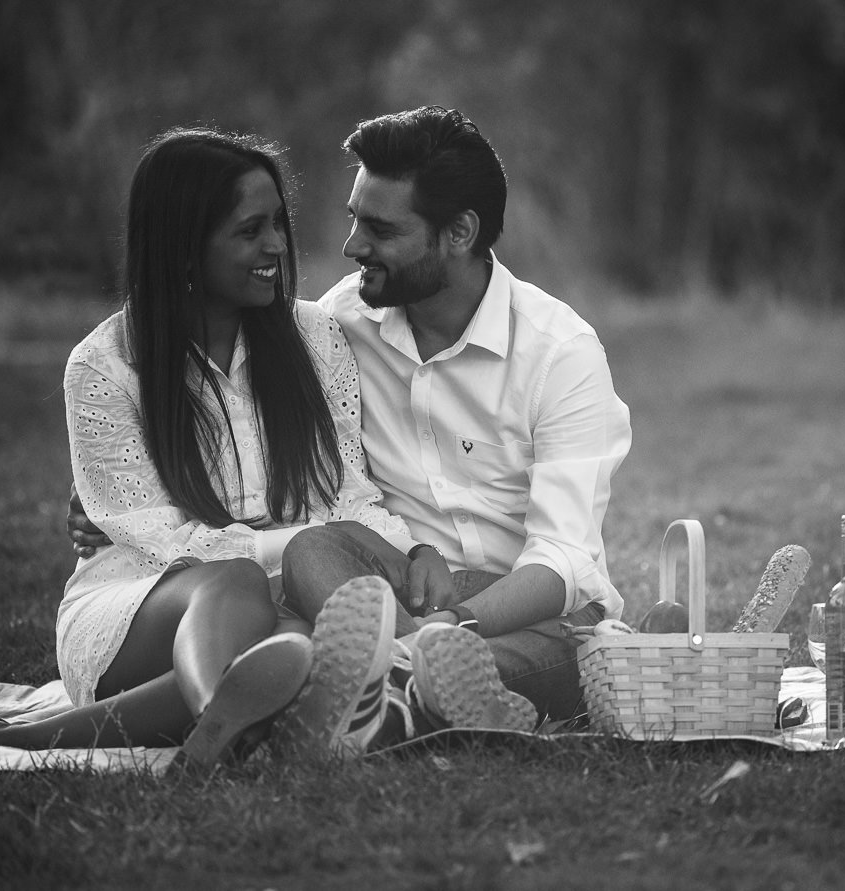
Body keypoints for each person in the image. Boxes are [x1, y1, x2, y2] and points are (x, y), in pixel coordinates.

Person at [0, 128, 408, 770]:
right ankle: (217, 711)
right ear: (183, 247)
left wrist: (406, 549)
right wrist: (302, 543)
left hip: (269, 613)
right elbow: (162, 541)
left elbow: (350, 496)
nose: (277, 247)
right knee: (236, 581)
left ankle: (16, 742)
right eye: (251, 230)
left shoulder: (316, 340)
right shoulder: (105, 365)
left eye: (279, 225)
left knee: (298, 652)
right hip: (134, 605)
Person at [78, 106, 633, 732]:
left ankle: (375, 688)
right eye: (353, 220)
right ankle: (392, 695)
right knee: (313, 552)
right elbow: (233, 422)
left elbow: (564, 558)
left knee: (579, 650)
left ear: (459, 233)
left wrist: (451, 627)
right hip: (378, 586)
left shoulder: (560, 352)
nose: (351, 248)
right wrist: (109, 492)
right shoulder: (338, 325)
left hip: (515, 607)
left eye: (380, 229)